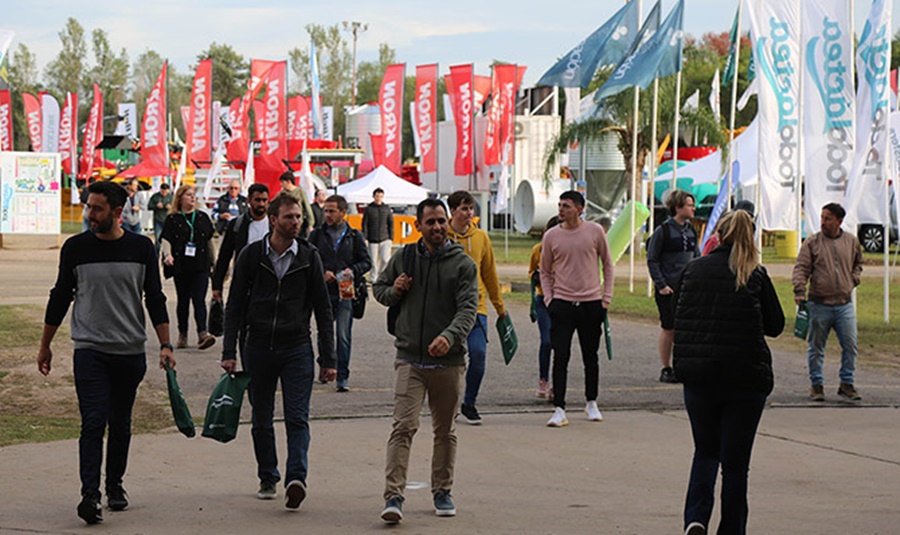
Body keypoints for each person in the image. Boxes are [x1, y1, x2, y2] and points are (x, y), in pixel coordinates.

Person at [37, 180, 176, 525]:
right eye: (88, 206)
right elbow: (60, 297)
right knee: (93, 421)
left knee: (121, 423)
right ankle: (90, 496)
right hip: (90, 350)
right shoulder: (75, 248)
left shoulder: (141, 248)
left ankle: (114, 485)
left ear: (117, 212)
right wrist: (45, 345)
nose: (90, 214)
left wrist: (166, 344)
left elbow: (155, 298)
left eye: (97, 208)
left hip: (129, 352)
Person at [220, 192, 335, 510]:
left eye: (298, 217)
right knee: (261, 419)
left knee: (297, 418)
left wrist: (329, 359)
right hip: (256, 347)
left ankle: (296, 479)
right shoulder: (251, 256)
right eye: (289, 217)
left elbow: (323, 311)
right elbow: (235, 307)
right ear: (273, 220)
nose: (296, 222)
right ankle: (267, 476)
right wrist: (229, 350)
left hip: (297, 347)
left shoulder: (309, 257)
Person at [673, 210, 785, 535]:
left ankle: (695, 518)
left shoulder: (693, 270)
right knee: (736, 465)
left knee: (705, 451)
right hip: (745, 378)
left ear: (718, 236)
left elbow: (674, 309)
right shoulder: (755, 274)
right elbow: (775, 325)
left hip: (699, 376)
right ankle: (732, 528)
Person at [373, 198, 478, 524]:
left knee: (445, 430)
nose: (437, 227)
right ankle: (393, 496)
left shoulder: (463, 264)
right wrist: (396, 291)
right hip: (410, 359)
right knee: (403, 426)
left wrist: (449, 336)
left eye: (441, 221)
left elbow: (468, 309)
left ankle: (442, 490)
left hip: (448, 362)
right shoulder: (404, 257)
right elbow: (380, 288)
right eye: (430, 222)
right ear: (418, 225)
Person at [540, 190, 614, 427]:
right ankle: (559, 407)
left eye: (567, 206)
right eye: (560, 205)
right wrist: (549, 299)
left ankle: (591, 401)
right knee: (560, 355)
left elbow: (608, 265)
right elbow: (544, 271)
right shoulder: (551, 236)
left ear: (580, 209)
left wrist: (606, 298)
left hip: (591, 302)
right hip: (562, 303)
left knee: (590, 355)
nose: (561, 209)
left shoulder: (594, 231)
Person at [791, 202, 863, 402]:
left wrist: (854, 279)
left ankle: (846, 383)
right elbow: (801, 268)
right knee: (816, 347)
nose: (823, 222)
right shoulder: (812, 243)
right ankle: (816, 385)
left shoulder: (851, 241)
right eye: (822, 218)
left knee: (850, 344)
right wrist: (799, 290)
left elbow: (858, 263)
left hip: (844, 304)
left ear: (839, 221)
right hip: (819, 303)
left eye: (827, 218)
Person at [446, 190, 507, 425]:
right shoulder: (443, 235)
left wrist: (499, 307)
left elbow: (490, 274)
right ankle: (446, 403)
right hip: (447, 308)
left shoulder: (481, 237)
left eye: (471, 208)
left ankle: (469, 403)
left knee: (479, 355)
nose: (469, 213)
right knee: (449, 361)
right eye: (463, 208)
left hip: (476, 306)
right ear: (452, 211)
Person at [308, 194, 371, 391]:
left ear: (343, 213)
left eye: (332, 211)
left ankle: (342, 376)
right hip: (323, 291)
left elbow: (366, 262)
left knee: (343, 335)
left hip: (346, 292)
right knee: (323, 333)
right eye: (326, 211)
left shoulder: (355, 236)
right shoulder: (316, 235)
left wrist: (352, 270)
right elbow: (307, 259)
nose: (327, 214)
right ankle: (326, 365)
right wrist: (321, 271)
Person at [647, 189, 699, 384]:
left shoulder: (691, 230)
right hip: (668, 288)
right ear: (678, 207)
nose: (693, 208)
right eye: (689, 205)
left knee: (686, 328)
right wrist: (661, 284)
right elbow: (652, 259)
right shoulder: (664, 231)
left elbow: (697, 256)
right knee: (669, 328)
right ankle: (666, 367)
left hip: (687, 288)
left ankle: (683, 365)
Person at [162, 185, 216, 350]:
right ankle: (182, 334)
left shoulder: (202, 218)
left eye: (194, 195)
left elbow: (209, 241)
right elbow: (166, 239)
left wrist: (216, 263)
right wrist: (167, 255)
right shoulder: (173, 219)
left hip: (200, 264)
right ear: (180, 199)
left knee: (199, 299)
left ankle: (202, 334)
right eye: (188, 195)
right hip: (181, 264)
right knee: (183, 300)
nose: (193, 198)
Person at [212, 183, 270, 306]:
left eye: (264, 200)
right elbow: (224, 256)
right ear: (249, 200)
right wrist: (217, 285)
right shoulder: (237, 225)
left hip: (268, 283)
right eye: (257, 200)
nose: (261, 204)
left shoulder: (275, 225)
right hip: (243, 282)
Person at [528, 216, 558, 398]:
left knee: (560, 344)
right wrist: (536, 276)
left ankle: (557, 383)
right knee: (547, 340)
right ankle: (543, 379)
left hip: (563, 300)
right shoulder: (538, 250)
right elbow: (531, 271)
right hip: (543, 299)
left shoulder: (567, 250)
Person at [361, 187, 394, 281]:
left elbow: (390, 223)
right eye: (377, 196)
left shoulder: (386, 208)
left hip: (385, 238)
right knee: (373, 261)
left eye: (380, 196)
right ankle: (374, 279)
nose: (379, 198)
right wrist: (365, 237)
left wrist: (391, 237)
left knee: (385, 259)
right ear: (373, 196)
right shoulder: (369, 209)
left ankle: (381, 276)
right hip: (372, 239)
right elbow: (365, 224)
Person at [278, 171, 315, 237]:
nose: (281, 184)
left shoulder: (300, 192)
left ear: (289, 182)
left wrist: (311, 224)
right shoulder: (282, 193)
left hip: (298, 223)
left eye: (283, 182)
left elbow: (307, 207)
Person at [148, 183, 173, 251]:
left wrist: (171, 207)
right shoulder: (155, 196)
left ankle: (165, 256)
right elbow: (149, 206)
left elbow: (176, 208)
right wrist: (156, 206)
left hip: (168, 221)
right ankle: (156, 255)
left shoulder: (171, 197)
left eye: (165, 191)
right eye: (162, 191)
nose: (164, 193)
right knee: (158, 240)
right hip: (158, 220)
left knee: (167, 240)